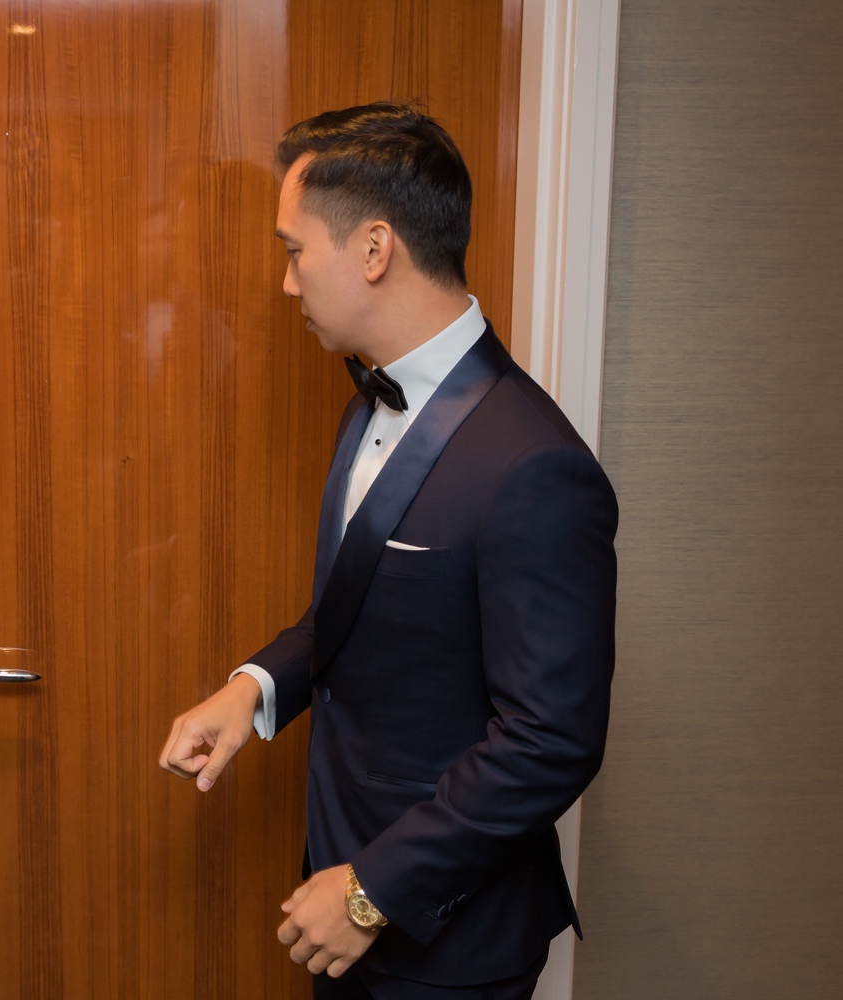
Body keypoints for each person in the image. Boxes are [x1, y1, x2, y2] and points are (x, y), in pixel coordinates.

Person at [158, 103, 618, 1000]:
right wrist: (251, 689)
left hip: (445, 936)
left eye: (295, 251)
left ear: (373, 250)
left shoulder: (536, 465)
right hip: (340, 888)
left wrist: (371, 894)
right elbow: (360, 611)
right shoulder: (371, 398)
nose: (287, 283)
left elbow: (552, 738)